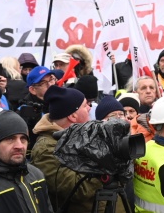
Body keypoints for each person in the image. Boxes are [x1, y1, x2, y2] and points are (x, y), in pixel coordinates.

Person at [30, 85, 114, 213]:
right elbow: (78, 190)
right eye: (85, 105)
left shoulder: (85, 134)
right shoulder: (46, 149)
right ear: (73, 116)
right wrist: (107, 165)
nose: (90, 108)